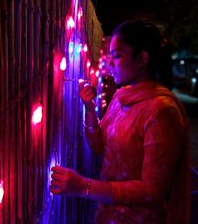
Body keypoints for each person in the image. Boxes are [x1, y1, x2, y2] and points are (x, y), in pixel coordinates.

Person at [50, 20, 190, 224]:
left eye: (117, 56)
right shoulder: (121, 97)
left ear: (142, 58)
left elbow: (151, 191)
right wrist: (89, 109)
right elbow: (98, 145)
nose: (109, 63)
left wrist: (84, 186)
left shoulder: (161, 110)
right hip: (107, 214)